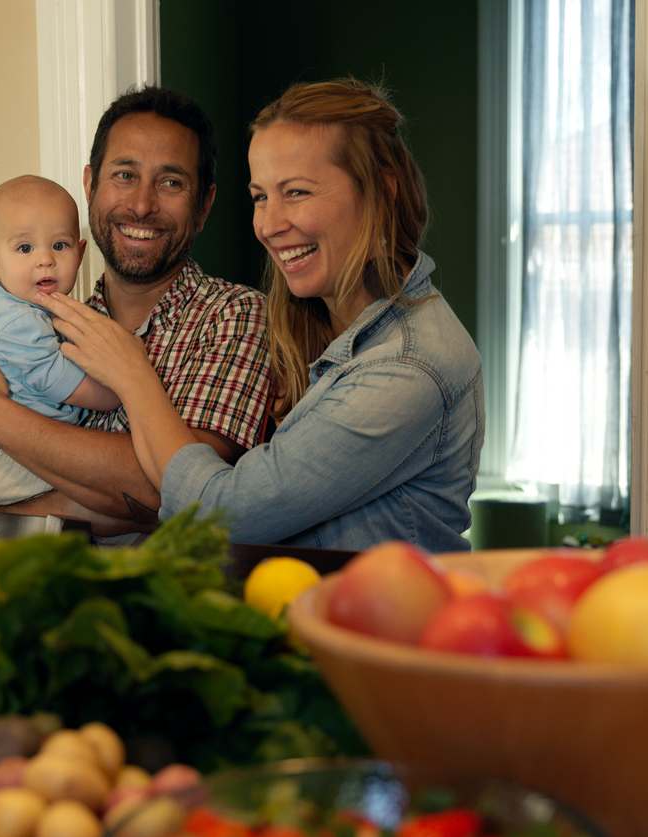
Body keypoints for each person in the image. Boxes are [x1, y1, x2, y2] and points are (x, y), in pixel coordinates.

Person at [34, 79, 485, 552]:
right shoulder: (317, 327)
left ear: (382, 190)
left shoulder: (407, 366)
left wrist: (132, 374)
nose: (269, 225)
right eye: (261, 196)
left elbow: (218, 515)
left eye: (296, 192)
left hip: (372, 623)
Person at [0, 86, 271, 538]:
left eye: (171, 182)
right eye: (125, 175)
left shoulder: (235, 317)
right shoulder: (42, 324)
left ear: (204, 205)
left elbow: (173, 492)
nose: (141, 204)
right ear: (91, 186)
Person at [0, 176, 121, 506]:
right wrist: (123, 389)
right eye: (25, 248)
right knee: (99, 494)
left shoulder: (34, 311)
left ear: (79, 253)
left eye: (59, 245)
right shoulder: (19, 322)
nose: (45, 259)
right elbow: (71, 387)